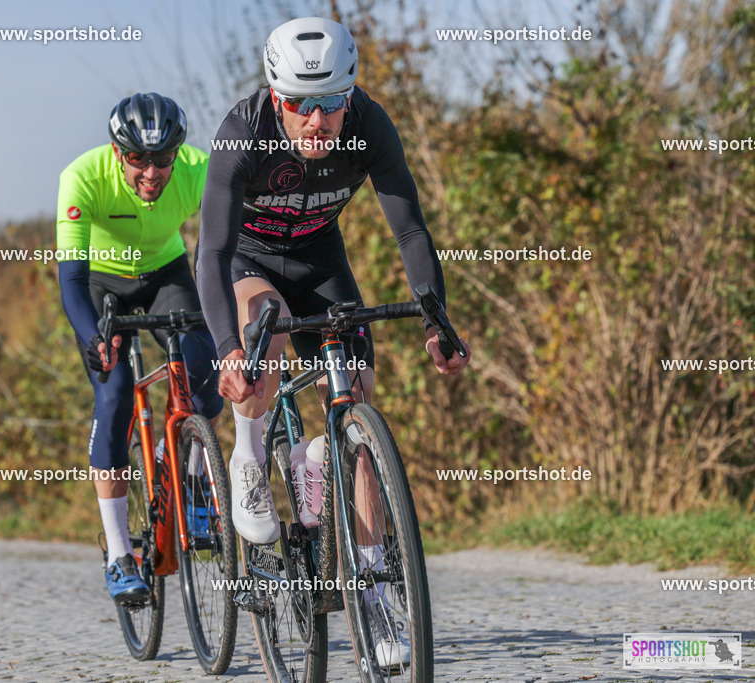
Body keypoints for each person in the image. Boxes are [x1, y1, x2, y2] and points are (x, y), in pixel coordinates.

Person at [196, 17, 471, 667]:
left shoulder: (371, 124)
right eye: (299, 104)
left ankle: (371, 591)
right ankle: (249, 455)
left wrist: (437, 320)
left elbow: (410, 231)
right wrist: (228, 351)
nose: (316, 121)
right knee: (260, 326)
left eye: (330, 104)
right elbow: (209, 253)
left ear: (350, 96)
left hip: (321, 262)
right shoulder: (243, 132)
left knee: (359, 402)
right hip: (249, 262)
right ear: (275, 94)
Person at [56, 93, 222, 606]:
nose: (152, 172)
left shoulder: (201, 170)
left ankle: (185, 475)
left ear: (179, 152)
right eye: (137, 159)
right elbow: (72, 278)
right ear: (116, 152)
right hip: (102, 284)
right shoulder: (81, 177)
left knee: (209, 374)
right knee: (115, 397)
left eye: (163, 159)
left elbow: (226, 245)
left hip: (164, 275)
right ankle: (119, 555)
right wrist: (93, 339)